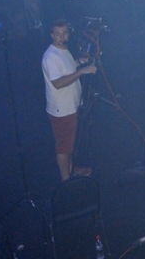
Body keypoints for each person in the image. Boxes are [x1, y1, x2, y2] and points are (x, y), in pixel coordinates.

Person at [42, 19, 97, 181]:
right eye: (57, 34)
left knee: (69, 144)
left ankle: (72, 170)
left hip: (70, 106)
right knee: (63, 148)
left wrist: (78, 63)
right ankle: (66, 181)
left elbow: (66, 69)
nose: (62, 37)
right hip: (61, 110)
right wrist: (82, 71)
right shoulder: (51, 56)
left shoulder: (63, 50)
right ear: (52, 35)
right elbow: (58, 83)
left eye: (64, 33)